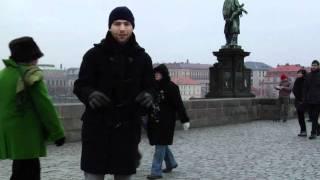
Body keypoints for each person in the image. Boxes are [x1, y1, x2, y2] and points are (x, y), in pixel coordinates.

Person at [73, 6, 154, 180]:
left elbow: (151, 86)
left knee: (123, 176)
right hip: (97, 128)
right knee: (93, 175)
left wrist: (150, 95)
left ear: (132, 27)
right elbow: (80, 85)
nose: (122, 28)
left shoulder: (143, 58)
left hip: (127, 129)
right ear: (110, 26)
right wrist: (90, 94)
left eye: (126, 24)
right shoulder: (93, 55)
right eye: (117, 24)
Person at [0, 37, 65, 180]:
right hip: (27, 135)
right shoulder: (30, 76)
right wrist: (58, 134)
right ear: (31, 57)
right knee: (30, 172)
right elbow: (45, 107)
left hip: (9, 134)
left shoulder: (3, 75)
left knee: (19, 171)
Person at [146, 64, 190, 180]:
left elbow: (179, 105)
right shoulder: (152, 87)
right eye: (155, 74)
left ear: (163, 74)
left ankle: (156, 172)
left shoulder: (172, 87)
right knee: (160, 143)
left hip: (166, 121)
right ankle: (171, 163)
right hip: (153, 120)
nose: (156, 75)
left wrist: (184, 119)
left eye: (158, 74)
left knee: (160, 145)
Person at [304, 60, 320, 140]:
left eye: (315, 65)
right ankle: (318, 128)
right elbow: (305, 88)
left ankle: (313, 133)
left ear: (318, 66)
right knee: (311, 116)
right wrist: (305, 97)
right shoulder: (308, 75)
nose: (313, 66)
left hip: (318, 99)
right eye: (312, 65)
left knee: (315, 116)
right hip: (309, 99)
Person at [292, 69, 307, 136]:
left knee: (312, 117)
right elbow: (294, 90)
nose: (298, 74)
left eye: (300, 73)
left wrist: (302, 99)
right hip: (298, 101)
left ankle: (316, 129)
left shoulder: (306, 80)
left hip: (304, 101)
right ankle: (303, 131)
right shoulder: (297, 80)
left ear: (303, 74)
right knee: (300, 117)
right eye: (298, 73)